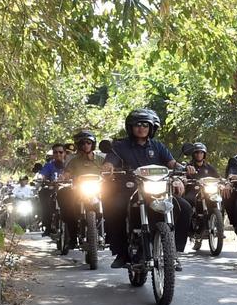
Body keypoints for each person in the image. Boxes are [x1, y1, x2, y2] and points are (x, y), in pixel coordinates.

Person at [101, 108, 195, 271]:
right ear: (130, 127)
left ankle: (175, 252)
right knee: (113, 208)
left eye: (145, 124)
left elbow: (171, 163)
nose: (141, 128)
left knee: (185, 208)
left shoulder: (157, 146)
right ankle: (121, 252)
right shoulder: (120, 146)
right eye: (137, 124)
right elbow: (110, 162)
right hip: (130, 190)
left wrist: (183, 169)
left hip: (157, 190)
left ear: (151, 128)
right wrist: (108, 167)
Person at [57, 131, 105, 248]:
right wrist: (62, 177)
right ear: (79, 145)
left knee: (116, 204)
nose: (86, 145)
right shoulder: (74, 161)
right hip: (79, 191)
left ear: (93, 144)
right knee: (63, 194)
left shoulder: (101, 160)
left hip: (100, 191)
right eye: (83, 143)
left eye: (88, 143)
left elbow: (109, 172)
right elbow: (67, 173)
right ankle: (72, 237)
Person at [37, 143, 67, 236]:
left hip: (69, 190)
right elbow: (42, 174)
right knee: (44, 194)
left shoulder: (70, 164)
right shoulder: (49, 165)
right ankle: (48, 225)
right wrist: (41, 177)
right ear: (53, 154)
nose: (58, 154)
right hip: (53, 189)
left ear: (65, 153)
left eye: (60, 152)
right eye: (55, 152)